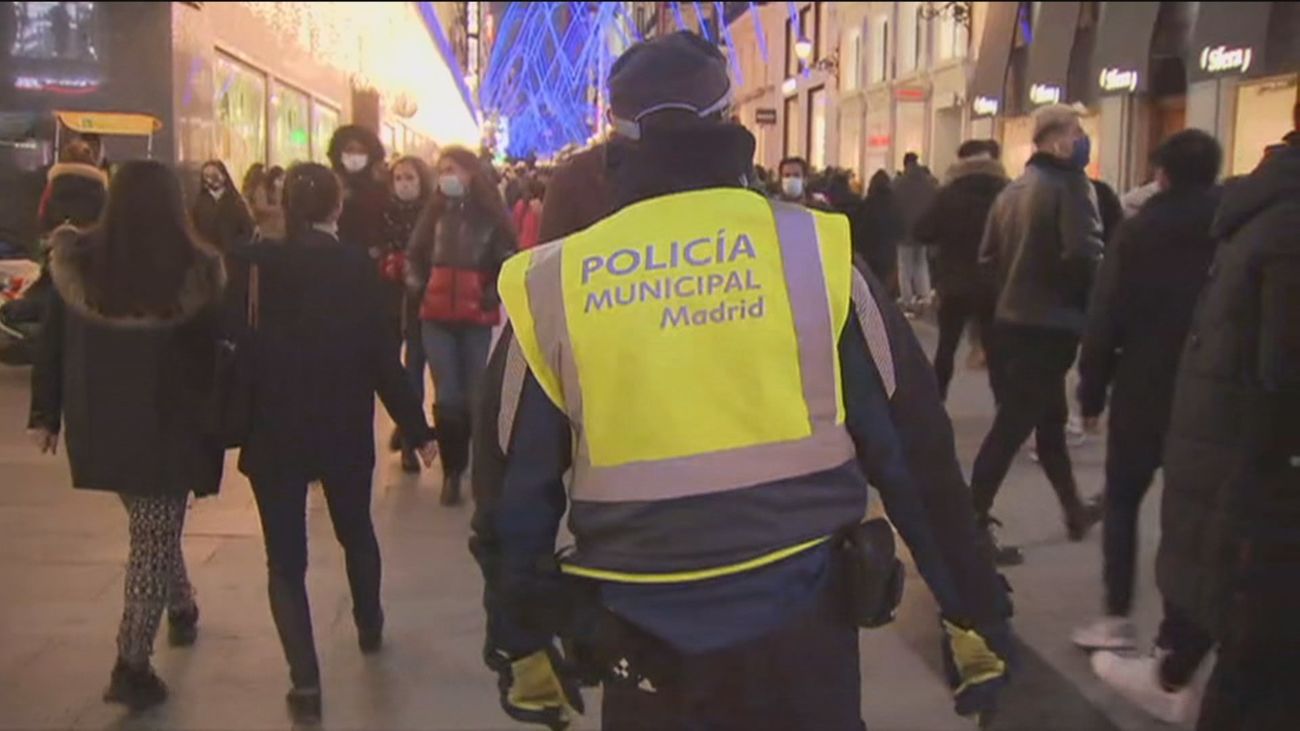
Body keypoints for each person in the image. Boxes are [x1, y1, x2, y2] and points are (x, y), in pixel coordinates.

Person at [471, 31, 1013, 731]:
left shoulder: (553, 285)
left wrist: (519, 638)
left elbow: (514, 490)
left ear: (617, 139)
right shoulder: (814, 255)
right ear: (731, 123)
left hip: (641, 632)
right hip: (802, 623)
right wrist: (970, 608)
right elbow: (914, 453)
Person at [1090, 104, 1300, 730]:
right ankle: (1171, 660)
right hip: (1250, 473)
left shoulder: (1250, 218)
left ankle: (1156, 648)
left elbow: (1107, 310)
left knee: (1134, 505)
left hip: (1176, 406)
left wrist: (1091, 389)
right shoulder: (1276, 226)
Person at [226, 162, 436, 725]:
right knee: (356, 531)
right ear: (335, 209)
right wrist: (415, 426)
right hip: (342, 425)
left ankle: (305, 681)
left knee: (285, 561)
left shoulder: (254, 265)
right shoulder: (354, 267)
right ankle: (369, 624)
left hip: (273, 428)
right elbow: (379, 355)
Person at [28, 160, 226, 711]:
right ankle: (130, 663)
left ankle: (181, 602)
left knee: (151, 524)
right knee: (152, 533)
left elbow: (51, 343)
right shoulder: (198, 267)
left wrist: (48, 413)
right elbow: (217, 355)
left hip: (102, 424)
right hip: (171, 425)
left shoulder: (81, 263)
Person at [1069, 130, 1223, 654]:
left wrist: (1091, 394)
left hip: (1142, 388)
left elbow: (1105, 315)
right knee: (1194, 513)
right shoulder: (1231, 228)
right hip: (1211, 394)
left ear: (1162, 174)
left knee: (1123, 502)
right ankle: (1185, 630)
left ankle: (1116, 617)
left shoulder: (1140, 233)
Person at [971, 103, 1105, 565]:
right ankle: (970, 522)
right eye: (1077, 130)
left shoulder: (1012, 191)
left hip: (1011, 323)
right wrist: (1087, 311)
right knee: (1012, 428)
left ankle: (1073, 509)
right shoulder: (1070, 186)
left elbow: (986, 261)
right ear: (1057, 139)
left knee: (1047, 424)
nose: (1082, 137)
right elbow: (1084, 256)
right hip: (1050, 326)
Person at [407, 146, 515, 506]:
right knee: (448, 394)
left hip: (475, 318)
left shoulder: (491, 216)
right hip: (435, 317)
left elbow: (507, 258)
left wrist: (489, 294)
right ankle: (452, 471)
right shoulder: (433, 214)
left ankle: (473, 462)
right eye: (441, 170)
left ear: (470, 173)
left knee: (474, 394)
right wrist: (420, 287)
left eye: (451, 169)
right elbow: (415, 255)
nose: (446, 176)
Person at [382, 155, 434, 473]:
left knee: (414, 364)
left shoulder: (432, 213)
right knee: (391, 369)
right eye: (399, 177)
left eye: (410, 177)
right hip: (387, 300)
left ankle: (410, 438)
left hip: (422, 300)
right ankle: (407, 429)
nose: (403, 183)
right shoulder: (382, 213)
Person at [327, 125, 388, 257]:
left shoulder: (383, 188)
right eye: (349, 150)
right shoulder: (327, 184)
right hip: (333, 255)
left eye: (361, 151)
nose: (355, 156)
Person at [892, 151, 938, 313]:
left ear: (905, 164)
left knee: (905, 267)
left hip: (904, 231)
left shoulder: (898, 184)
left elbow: (893, 206)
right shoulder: (928, 183)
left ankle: (907, 298)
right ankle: (925, 296)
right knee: (921, 264)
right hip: (923, 231)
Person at [851, 170, 904, 294]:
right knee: (885, 291)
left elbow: (860, 229)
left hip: (870, 254)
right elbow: (901, 227)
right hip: (889, 253)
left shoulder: (868, 204)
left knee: (871, 290)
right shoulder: (895, 204)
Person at [37, 138, 107, 233]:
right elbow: (105, 221)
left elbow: (43, 217)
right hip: (89, 241)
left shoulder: (53, 186)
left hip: (59, 240)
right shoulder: (99, 188)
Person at [191, 160, 255, 252]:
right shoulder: (199, 203)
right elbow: (195, 230)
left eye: (214, 175)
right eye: (207, 176)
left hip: (233, 256)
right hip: (208, 257)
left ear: (224, 176)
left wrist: (235, 247)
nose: (211, 179)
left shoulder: (236, 201)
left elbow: (248, 230)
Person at [248, 165, 286, 242]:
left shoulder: (280, 190)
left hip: (280, 231)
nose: (281, 182)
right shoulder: (261, 189)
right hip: (266, 230)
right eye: (279, 179)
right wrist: (278, 209)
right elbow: (261, 207)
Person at [513, 177, 545, 250]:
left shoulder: (520, 204)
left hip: (523, 245)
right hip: (538, 246)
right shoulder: (541, 206)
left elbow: (516, 225)